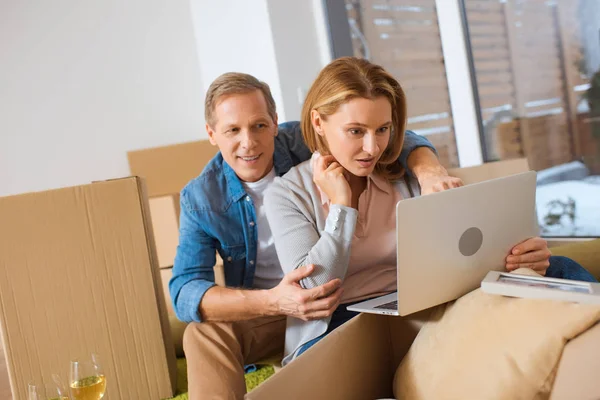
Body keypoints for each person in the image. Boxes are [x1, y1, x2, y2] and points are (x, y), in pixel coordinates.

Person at [264, 56, 598, 366]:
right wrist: (342, 206)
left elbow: (462, 252)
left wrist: (520, 255)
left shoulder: (403, 173)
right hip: (338, 323)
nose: (372, 148)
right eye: (356, 131)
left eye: (382, 129)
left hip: (415, 308)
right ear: (318, 122)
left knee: (560, 268)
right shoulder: (286, 193)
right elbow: (314, 286)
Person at [170, 72, 462, 399]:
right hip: (271, 305)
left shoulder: (304, 138)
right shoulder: (202, 198)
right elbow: (185, 291)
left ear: (276, 122)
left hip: (334, 293)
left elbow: (385, 134)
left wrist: (430, 171)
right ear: (211, 133)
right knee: (201, 333)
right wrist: (272, 301)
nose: (249, 142)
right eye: (232, 130)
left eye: (259, 126)